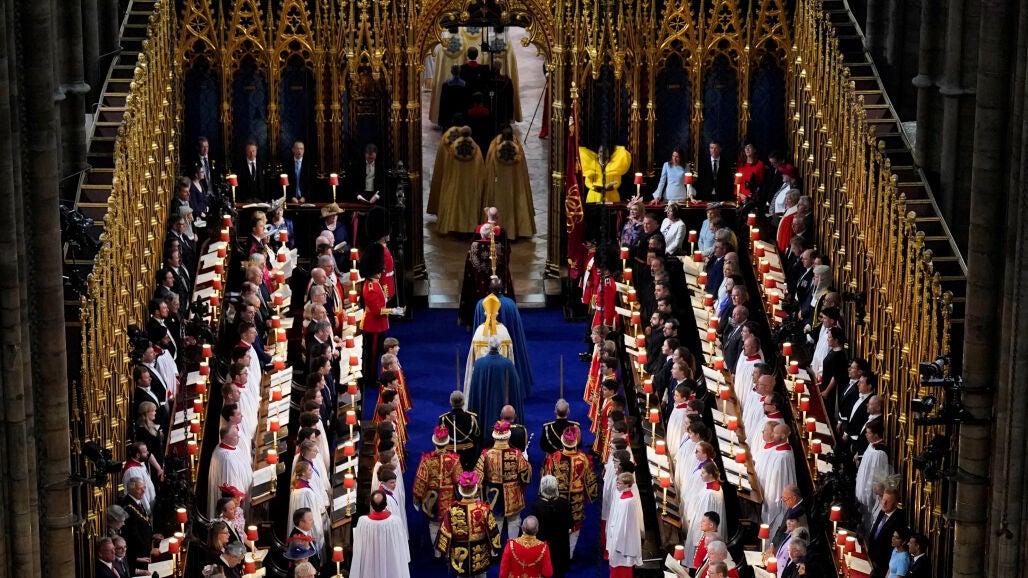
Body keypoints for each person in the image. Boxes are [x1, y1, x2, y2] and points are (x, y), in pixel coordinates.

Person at [541, 425, 597, 557]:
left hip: (557, 497)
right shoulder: (583, 458)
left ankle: (556, 552)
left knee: (557, 524)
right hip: (576, 499)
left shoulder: (552, 458)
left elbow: (545, 478)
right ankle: (569, 554)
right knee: (575, 525)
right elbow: (590, 479)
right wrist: (592, 495)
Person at [473, 278, 533, 394]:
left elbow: (477, 329)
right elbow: (516, 332)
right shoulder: (510, 304)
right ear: (503, 288)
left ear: (489, 288)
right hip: (506, 344)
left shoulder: (481, 305)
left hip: (484, 344)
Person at [476, 421, 533, 540]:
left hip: (493, 493)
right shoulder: (517, 454)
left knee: (496, 521)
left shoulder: (486, 454)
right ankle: (512, 545)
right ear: (508, 437)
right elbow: (525, 476)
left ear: (494, 437)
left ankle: (494, 548)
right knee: (514, 521)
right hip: (514, 493)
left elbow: (477, 477)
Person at [437, 472, 500, 577]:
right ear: (476, 488)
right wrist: (494, 549)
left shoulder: (451, 510)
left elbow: (445, 532)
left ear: (459, 488)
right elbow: (493, 531)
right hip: (480, 552)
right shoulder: (484, 509)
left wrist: (446, 553)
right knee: (481, 575)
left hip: (459, 553)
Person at [412, 425, 463, 550]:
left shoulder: (426, 460)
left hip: (432, 499)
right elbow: (459, 481)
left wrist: (417, 498)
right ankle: (447, 549)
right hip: (449, 498)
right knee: (448, 524)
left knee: (434, 524)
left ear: (434, 441)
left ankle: (437, 552)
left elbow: (421, 482)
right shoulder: (454, 460)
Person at [466, 333, 522, 442]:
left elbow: (475, 391)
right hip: (502, 403)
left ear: (488, 347)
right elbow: (515, 387)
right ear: (500, 348)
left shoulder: (479, 364)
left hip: (484, 406)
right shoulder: (508, 364)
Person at [483, 127, 536, 240]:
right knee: (515, 205)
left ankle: (497, 229)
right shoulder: (518, 149)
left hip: (499, 184)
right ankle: (516, 231)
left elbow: (490, 167)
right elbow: (522, 169)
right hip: (515, 184)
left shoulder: (495, 148)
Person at [350, 490, 411, 578]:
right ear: (386, 504)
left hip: (370, 564)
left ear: (371, 505)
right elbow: (402, 546)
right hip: (391, 563)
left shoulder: (363, 522)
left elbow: (358, 548)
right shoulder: (396, 522)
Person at [436, 126, 485, 235]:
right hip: (469, 184)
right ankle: (468, 226)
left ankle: (453, 225)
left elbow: (449, 166)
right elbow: (480, 167)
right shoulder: (476, 149)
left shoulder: (453, 147)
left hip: (456, 182)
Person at [530, 475, 572, 578]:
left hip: (542, 546)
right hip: (560, 546)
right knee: (559, 572)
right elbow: (570, 524)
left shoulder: (536, 505)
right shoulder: (564, 503)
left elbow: (532, 527)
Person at [208, 425, 253, 518]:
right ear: (226, 438)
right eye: (235, 436)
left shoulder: (232, 447)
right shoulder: (227, 458)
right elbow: (231, 486)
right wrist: (238, 503)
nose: (239, 436)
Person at [119, 478, 161, 575]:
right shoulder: (129, 508)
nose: (143, 491)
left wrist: (152, 535)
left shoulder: (136, 500)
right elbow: (134, 535)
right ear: (131, 489)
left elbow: (143, 523)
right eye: (139, 489)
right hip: (139, 555)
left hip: (145, 549)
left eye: (144, 488)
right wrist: (149, 550)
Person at [606, 472, 644, 577]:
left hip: (622, 541)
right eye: (617, 483)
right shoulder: (624, 497)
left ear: (627, 485)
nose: (617, 485)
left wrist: (615, 541)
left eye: (619, 483)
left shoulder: (627, 502)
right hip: (620, 537)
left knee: (621, 567)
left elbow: (623, 525)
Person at [428, 116, 465, 215]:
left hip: (448, 169)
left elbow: (441, 155)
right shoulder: (469, 140)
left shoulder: (447, 136)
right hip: (462, 173)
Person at [439, 390, 482, 471]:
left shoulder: (444, 419)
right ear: (463, 403)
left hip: (450, 456)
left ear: (450, 402)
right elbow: (477, 439)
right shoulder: (472, 418)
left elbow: (440, 440)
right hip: (468, 457)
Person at [867, 489, 906, 578]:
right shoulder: (883, 511)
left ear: (895, 504)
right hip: (872, 559)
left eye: (887, 502)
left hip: (883, 565)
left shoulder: (899, 519)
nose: (883, 503)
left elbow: (893, 545)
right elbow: (875, 533)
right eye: (883, 500)